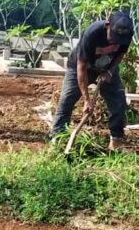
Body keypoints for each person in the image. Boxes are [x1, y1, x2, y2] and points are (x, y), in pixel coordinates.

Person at [51, 12, 133, 150]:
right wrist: (87, 100)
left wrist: (109, 71)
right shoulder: (92, 33)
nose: (116, 41)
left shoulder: (127, 33)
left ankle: (116, 139)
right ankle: (57, 136)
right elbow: (81, 67)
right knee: (67, 98)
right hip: (82, 67)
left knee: (118, 99)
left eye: (120, 39)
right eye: (114, 37)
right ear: (107, 25)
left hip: (106, 67)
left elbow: (120, 54)